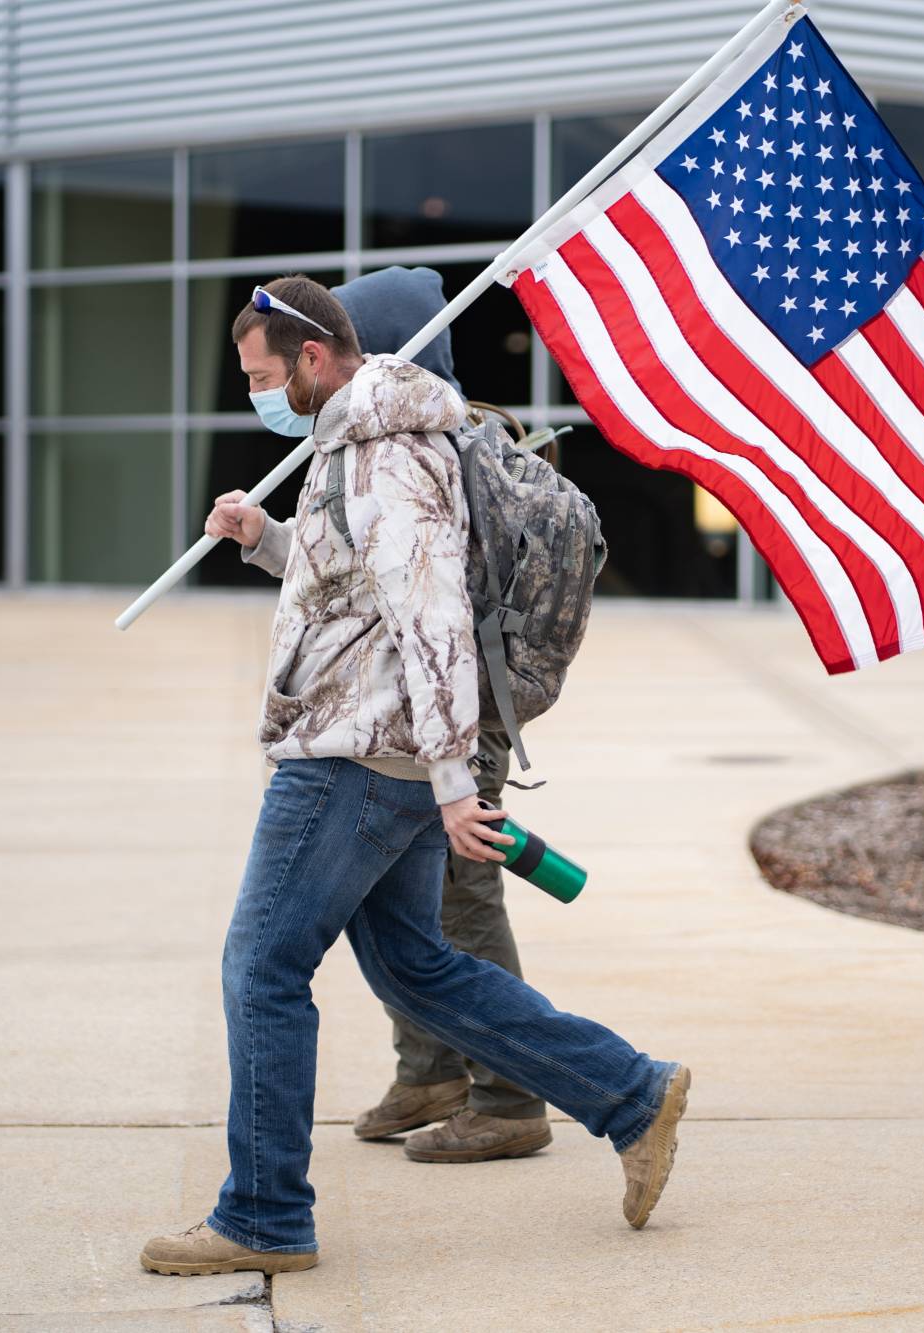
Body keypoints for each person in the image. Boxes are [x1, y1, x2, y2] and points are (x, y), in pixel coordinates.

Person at [142, 276, 691, 1276]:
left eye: (264, 377)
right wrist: (263, 540)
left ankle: (262, 1215)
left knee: (261, 969)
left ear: (314, 358)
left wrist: (449, 778)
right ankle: (630, 1093)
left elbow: (431, 615)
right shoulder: (352, 444)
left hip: (354, 756)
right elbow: (349, 583)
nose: (258, 397)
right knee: (414, 967)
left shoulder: (387, 454)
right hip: (372, 746)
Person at [331, 266, 553, 1165]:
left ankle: (509, 1096)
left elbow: (432, 611)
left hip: (455, 715)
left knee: (461, 897)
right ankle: (429, 1070)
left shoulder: (437, 448)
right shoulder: (411, 437)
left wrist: (456, 762)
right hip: (417, 711)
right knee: (399, 897)